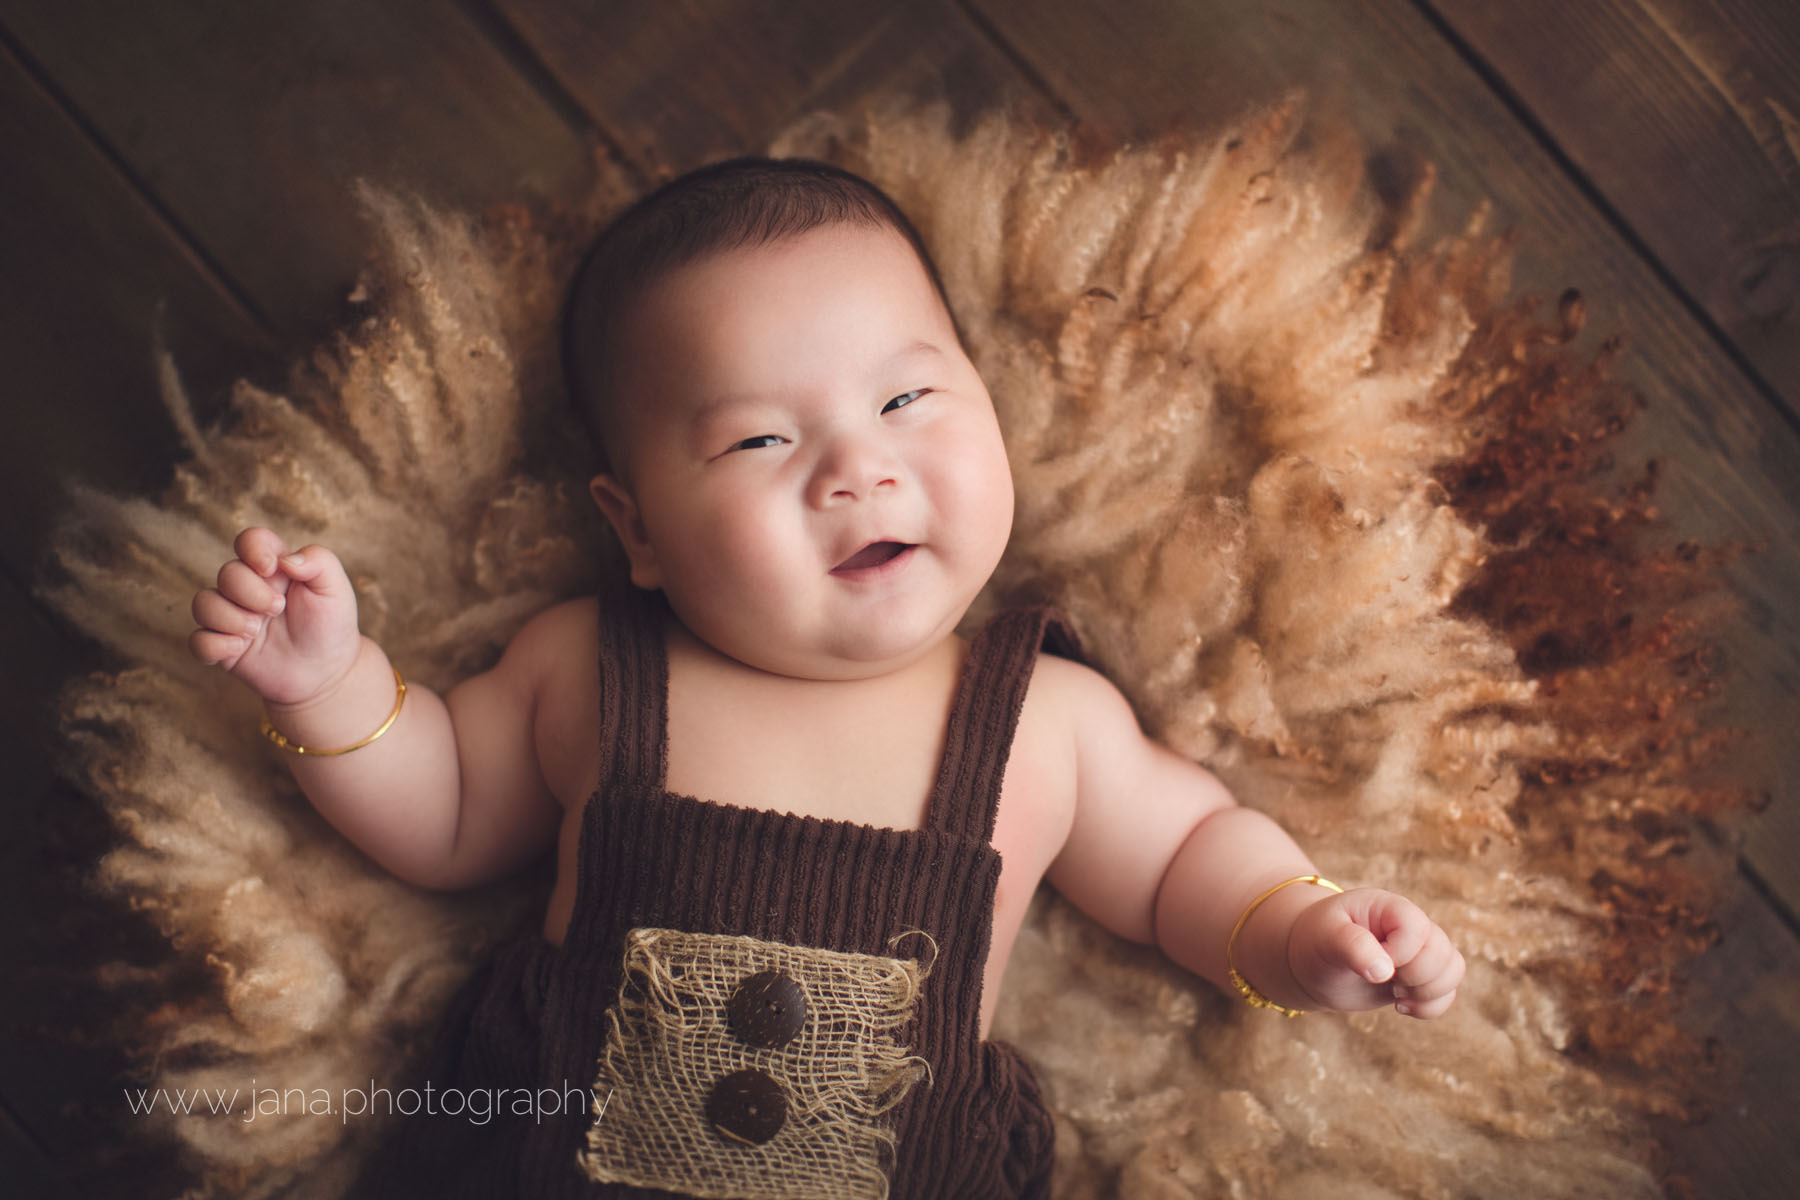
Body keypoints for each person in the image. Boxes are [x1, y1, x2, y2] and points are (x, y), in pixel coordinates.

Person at [189, 156, 1464, 1199]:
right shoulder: (592, 667)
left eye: (910, 398)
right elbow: (449, 813)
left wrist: (1305, 934)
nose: (858, 469)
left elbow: (1190, 859)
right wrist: (329, 687)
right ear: (636, 528)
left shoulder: (1042, 722)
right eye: (760, 437)